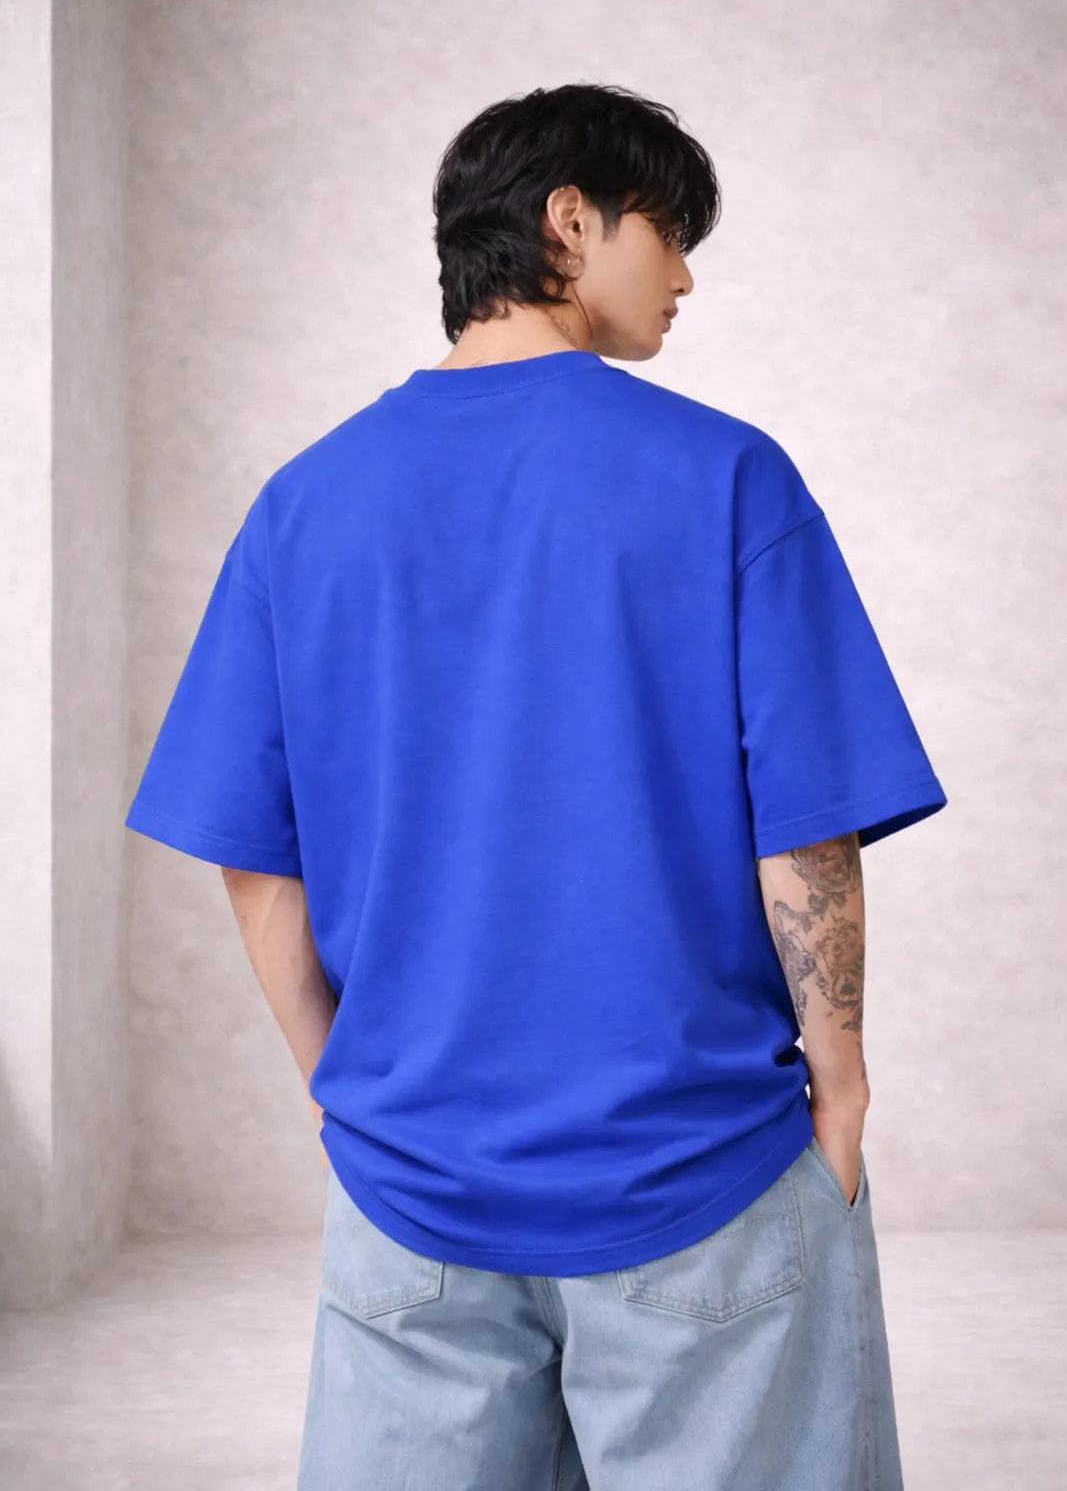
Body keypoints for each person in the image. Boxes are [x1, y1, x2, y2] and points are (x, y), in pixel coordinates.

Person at [126, 82, 947, 1490]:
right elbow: (804, 834)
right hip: (699, 1172)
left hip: (412, 1188)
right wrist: (843, 1081)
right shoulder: (727, 478)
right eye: (668, 232)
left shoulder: (302, 504)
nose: (685, 276)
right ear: (571, 221)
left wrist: (343, 1089)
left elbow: (253, 855)